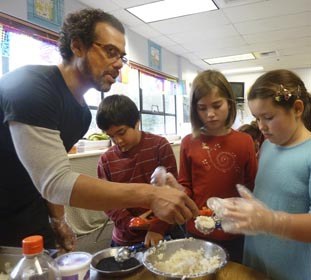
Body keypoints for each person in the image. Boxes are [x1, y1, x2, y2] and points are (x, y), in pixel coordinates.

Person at [0, 8, 198, 250]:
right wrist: (150, 194)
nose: (118, 65)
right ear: (77, 46)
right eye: (110, 51)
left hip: (27, 209)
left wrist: (58, 220)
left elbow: (49, 173)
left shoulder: (82, 114)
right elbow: (55, 182)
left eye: (122, 57)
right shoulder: (31, 87)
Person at [208, 69, 311, 280]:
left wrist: (272, 222)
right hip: (256, 258)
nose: (261, 127)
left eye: (268, 117)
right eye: (257, 118)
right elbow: (270, 199)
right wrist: (241, 208)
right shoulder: (267, 147)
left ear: (297, 109)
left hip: (291, 267)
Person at [178, 70, 258, 262]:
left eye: (217, 105)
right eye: (202, 108)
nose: (210, 114)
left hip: (234, 230)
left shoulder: (245, 141)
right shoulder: (189, 142)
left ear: (229, 104)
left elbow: (252, 186)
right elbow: (185, 184)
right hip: (198, 228)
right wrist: (176, 193)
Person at [96, 94, 179, 247]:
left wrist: (158, 227)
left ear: (137, 123)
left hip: (162, 232)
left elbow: (173, 191)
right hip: (125, 237)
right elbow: (106, 201)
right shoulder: (106, 160)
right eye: (111, 136)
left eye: (121, 132)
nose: (118, 141)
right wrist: (130, 223)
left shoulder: (159, 146)